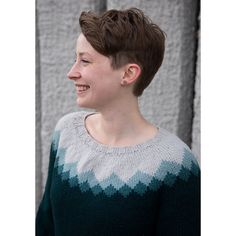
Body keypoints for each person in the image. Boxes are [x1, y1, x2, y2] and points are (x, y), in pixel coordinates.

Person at [36, 7, 200, 236]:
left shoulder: (174, 165)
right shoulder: (66, 134)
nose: (72, 73)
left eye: (85, 61)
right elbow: (45, 225)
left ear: (128, 74)